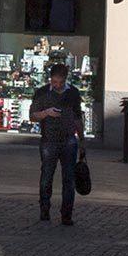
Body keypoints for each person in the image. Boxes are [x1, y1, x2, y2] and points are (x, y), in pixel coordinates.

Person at [29, 61, 85, 225]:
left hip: (69, 140)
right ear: (50, 79)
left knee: (69, 179)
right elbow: (32, 116)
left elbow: (77, 118)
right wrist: (46, 113)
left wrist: (82, 141)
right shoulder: (42, 93)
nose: (57, 85)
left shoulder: (73, 93)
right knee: (47, 176)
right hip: (49, 140)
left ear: (66, 79)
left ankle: (66, 214)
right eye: (54, 82)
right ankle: (44, 210)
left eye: (61, 82)